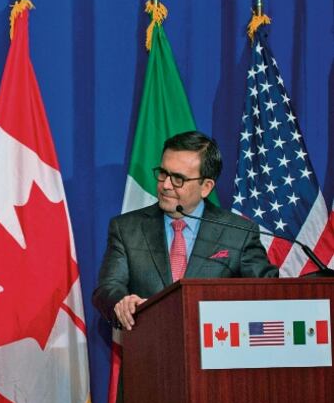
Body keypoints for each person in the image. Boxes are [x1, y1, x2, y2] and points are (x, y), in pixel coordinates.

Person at [93, 130, 277, 331]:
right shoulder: (127, 229)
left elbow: (267, 292)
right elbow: (107, 288)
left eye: (178, 178)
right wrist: (122, 303)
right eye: (163, 173)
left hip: (215, 351)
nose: (166, 185)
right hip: (149, 350)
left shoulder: (238, 233)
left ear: (206, 187)